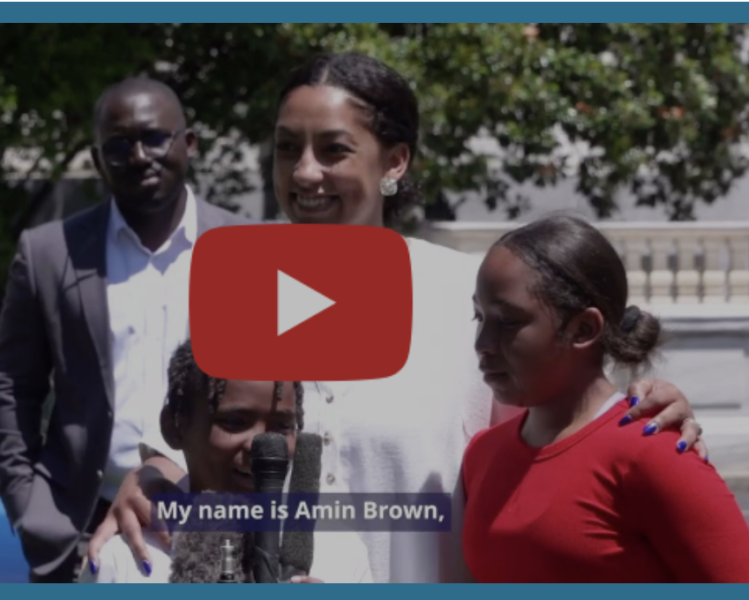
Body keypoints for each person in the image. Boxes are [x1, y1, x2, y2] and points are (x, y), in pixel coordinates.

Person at [88, 53, 707, 583]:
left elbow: (562, 438)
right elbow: (176, 447)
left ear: (394, 163)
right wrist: (149, 478)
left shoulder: (471, 300)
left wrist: (648, 411)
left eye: (334, 150)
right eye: (286, 149)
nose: (305, 172)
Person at [0, 76, 253, 583]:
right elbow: (12, 389)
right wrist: (31, 509)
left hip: (217, 522)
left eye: (155, 138)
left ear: (189, 143)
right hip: (82, 526)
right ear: (97, 157)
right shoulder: (49, 253)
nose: (138, 155)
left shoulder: (250, 247)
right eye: (118, 145)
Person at [457, 216, 749, 583]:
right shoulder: (482, 456)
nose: (482, 344)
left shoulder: (656, 454)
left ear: (583, 329)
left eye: (509, 322)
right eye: (479, 317)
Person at [79, 339, 373, 583]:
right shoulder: (127, 560)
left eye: (282, 426)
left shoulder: (341, 555)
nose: (262, 446)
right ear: (174, 427)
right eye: (234, 422)